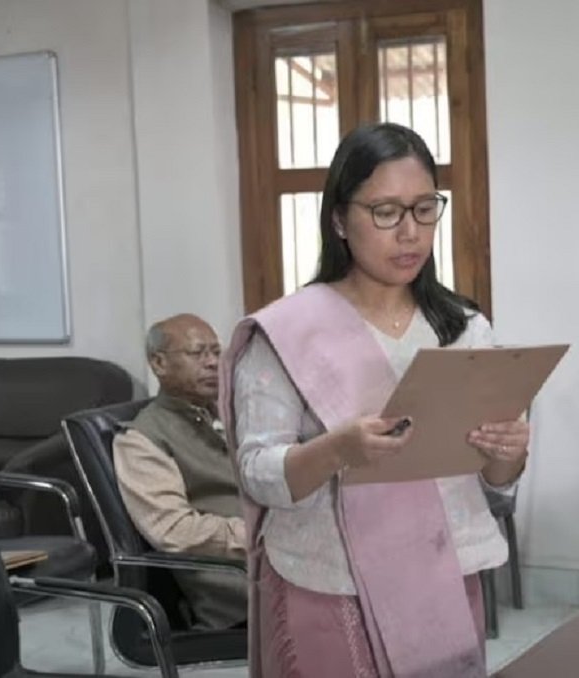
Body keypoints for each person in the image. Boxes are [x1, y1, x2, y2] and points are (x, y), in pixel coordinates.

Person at [220, 122, 529, 677]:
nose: (409, 232)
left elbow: (496, 480)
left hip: (441, 573)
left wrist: (509, 452)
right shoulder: (289, 332)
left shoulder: (463, 328)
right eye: (385, 212)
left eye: (424, 209)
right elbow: (257, 472)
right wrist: (337, 449)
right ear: (340, 219)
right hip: (329, 579)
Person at [113, 314, 247, 630]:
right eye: (198, 353)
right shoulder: (142, 439)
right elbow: (175, 530)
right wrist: (258, 535)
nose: (213, 362)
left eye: (216, 352)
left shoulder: (230, 413)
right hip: (239, 580)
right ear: (159, 363)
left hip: (283, 553)